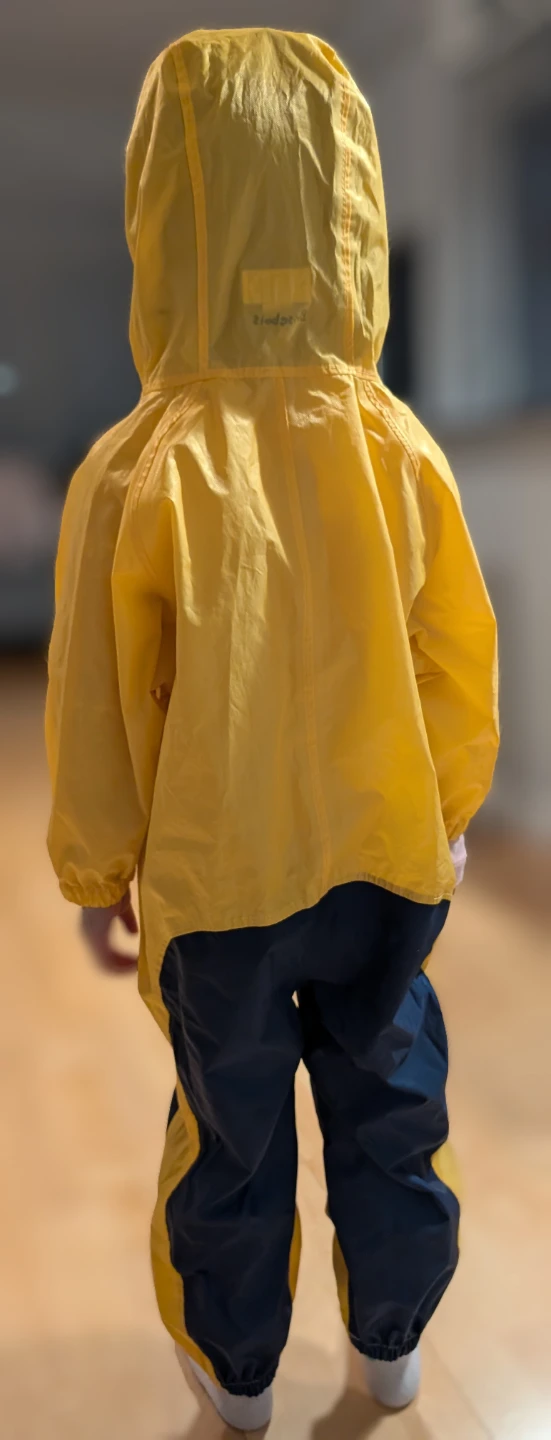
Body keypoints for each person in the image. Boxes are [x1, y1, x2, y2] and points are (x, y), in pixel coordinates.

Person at [46, 29, 499, 1432]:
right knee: (393, 1098)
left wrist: (100, 870)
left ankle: (234, 1376)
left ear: (163, 215)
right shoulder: (398, 447)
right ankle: (392, 1347)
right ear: (345, 201)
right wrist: (447, 812)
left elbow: (95, 700)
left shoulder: (133, 466)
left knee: (227, 1127)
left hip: (218, 882)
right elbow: (455, 660)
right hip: (383, 863)